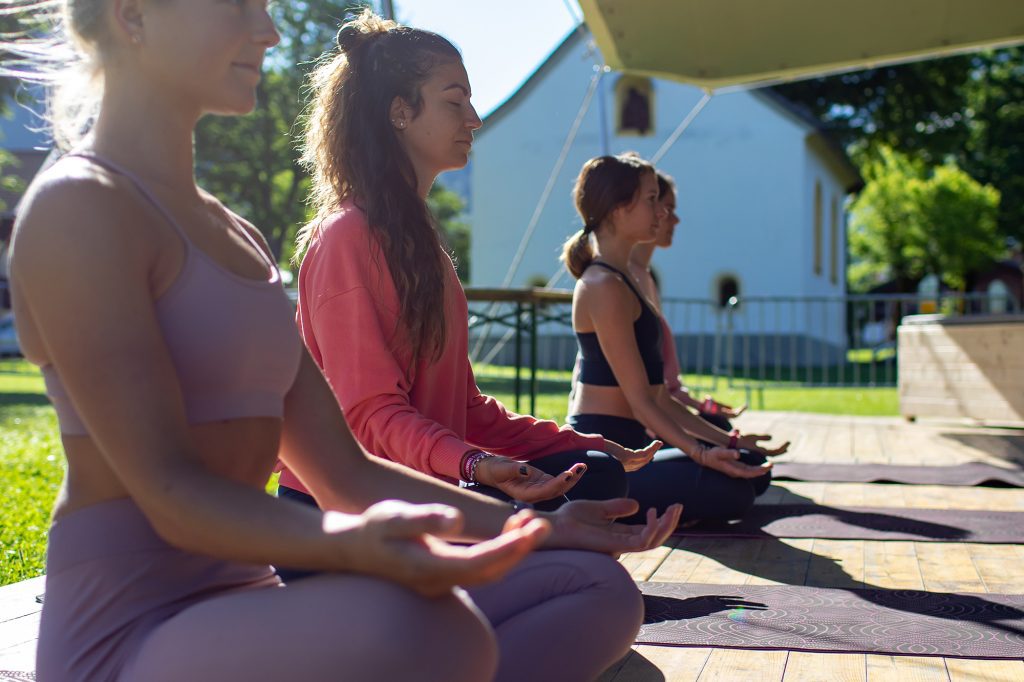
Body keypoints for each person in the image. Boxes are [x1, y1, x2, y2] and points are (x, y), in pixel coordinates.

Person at [5, 3, 680, 680]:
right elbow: (171, 493)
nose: (266, 30)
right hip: (126, 630)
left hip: (246, 596)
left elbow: (347, 471)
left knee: (587, 595)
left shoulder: (235, 238)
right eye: (237, 4)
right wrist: (365, 543)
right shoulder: (80, 208)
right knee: (432, 631)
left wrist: (541, 528)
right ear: (132, 15)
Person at [278, 10, 659, 516]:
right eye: (455, 101)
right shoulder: (347, 237)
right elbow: (368, 417)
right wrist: (475, 465)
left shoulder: (418, 244)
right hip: (342, 514)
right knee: (592, 500)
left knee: (596, 469)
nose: (474, 119)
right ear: (399, 112)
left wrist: (566, 442)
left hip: (421, 490)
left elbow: (465, 409)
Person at [563, 153, 775, 524]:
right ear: (618, 208)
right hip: (606, 450)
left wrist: (730, 443)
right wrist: (702, 454)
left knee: (752, 467)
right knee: (733, 491)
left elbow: (660, 396)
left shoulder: (626, 279)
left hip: (636, 441)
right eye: (650, 200)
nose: (661, 212)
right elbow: (642, 401)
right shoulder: (601, 285)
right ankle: (603, 502)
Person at [627, 171, 790, 451]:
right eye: (662, 206)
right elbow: (644, 397)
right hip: (639, 433)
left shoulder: (644, 277)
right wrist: (704, 450)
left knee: (737, 450)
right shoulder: (616, 283)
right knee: (741, 463)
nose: (672, 218)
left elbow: (662, 390)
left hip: (657, 418)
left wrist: (706, 412)